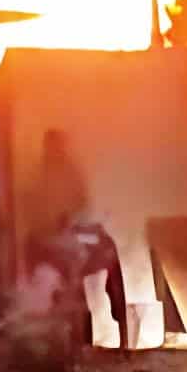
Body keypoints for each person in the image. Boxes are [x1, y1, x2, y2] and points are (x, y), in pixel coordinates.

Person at [23, 129, 128, 349]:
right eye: (53, 147)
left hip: (72, 232)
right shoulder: (37, 176)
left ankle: (122, 330)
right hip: (47, 240)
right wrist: (51, 224)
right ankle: (78, 342)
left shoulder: (71, 172)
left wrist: (71, 218)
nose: (58, 152)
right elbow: (31, 214)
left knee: (108, 248)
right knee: (75, 265)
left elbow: (81, 202)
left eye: (60, 147)